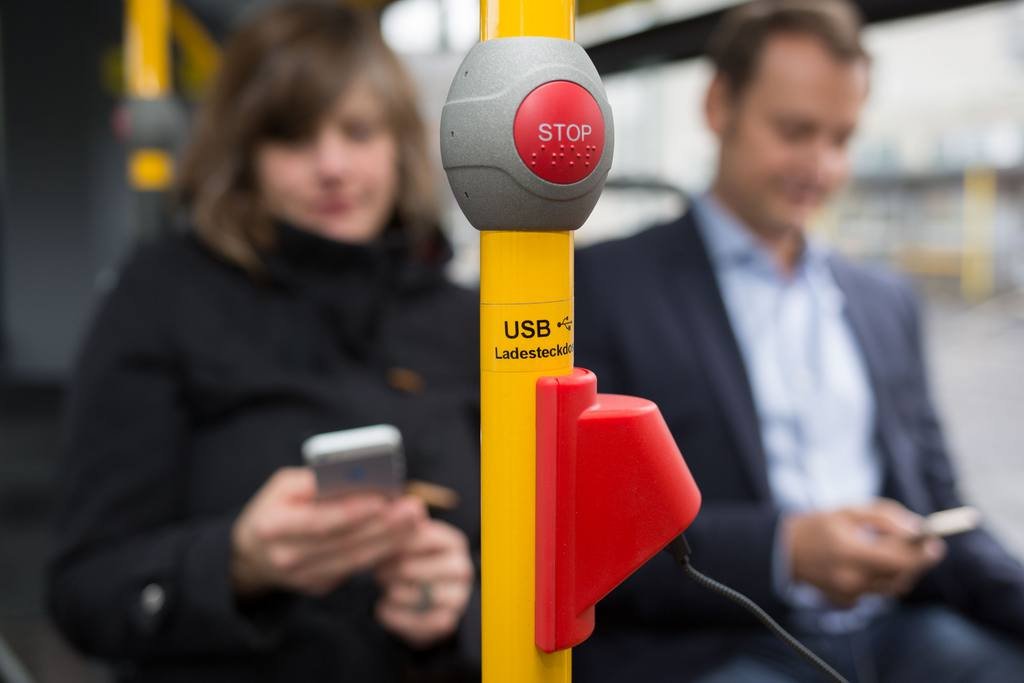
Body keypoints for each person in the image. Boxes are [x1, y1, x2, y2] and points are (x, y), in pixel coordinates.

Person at [572, 1, 1024, 681]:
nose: (821, 165)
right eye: (794, 130)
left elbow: (939, 499)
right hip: (724, 641)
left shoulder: (886, 301)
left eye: (841, 139)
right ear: (719, 103)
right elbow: (589, 530)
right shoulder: (603, 285)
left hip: (899, 627)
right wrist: (782, 549)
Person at [47, 3, 480, 681]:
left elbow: (537, 567)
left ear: (402, 145)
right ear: (243, 156)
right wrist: (234, 561)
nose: (332, 165)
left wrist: (459, 603)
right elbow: (82, 590)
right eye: (293, 137)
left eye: (358, 130)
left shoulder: (464, 318)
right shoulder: (162, 298)